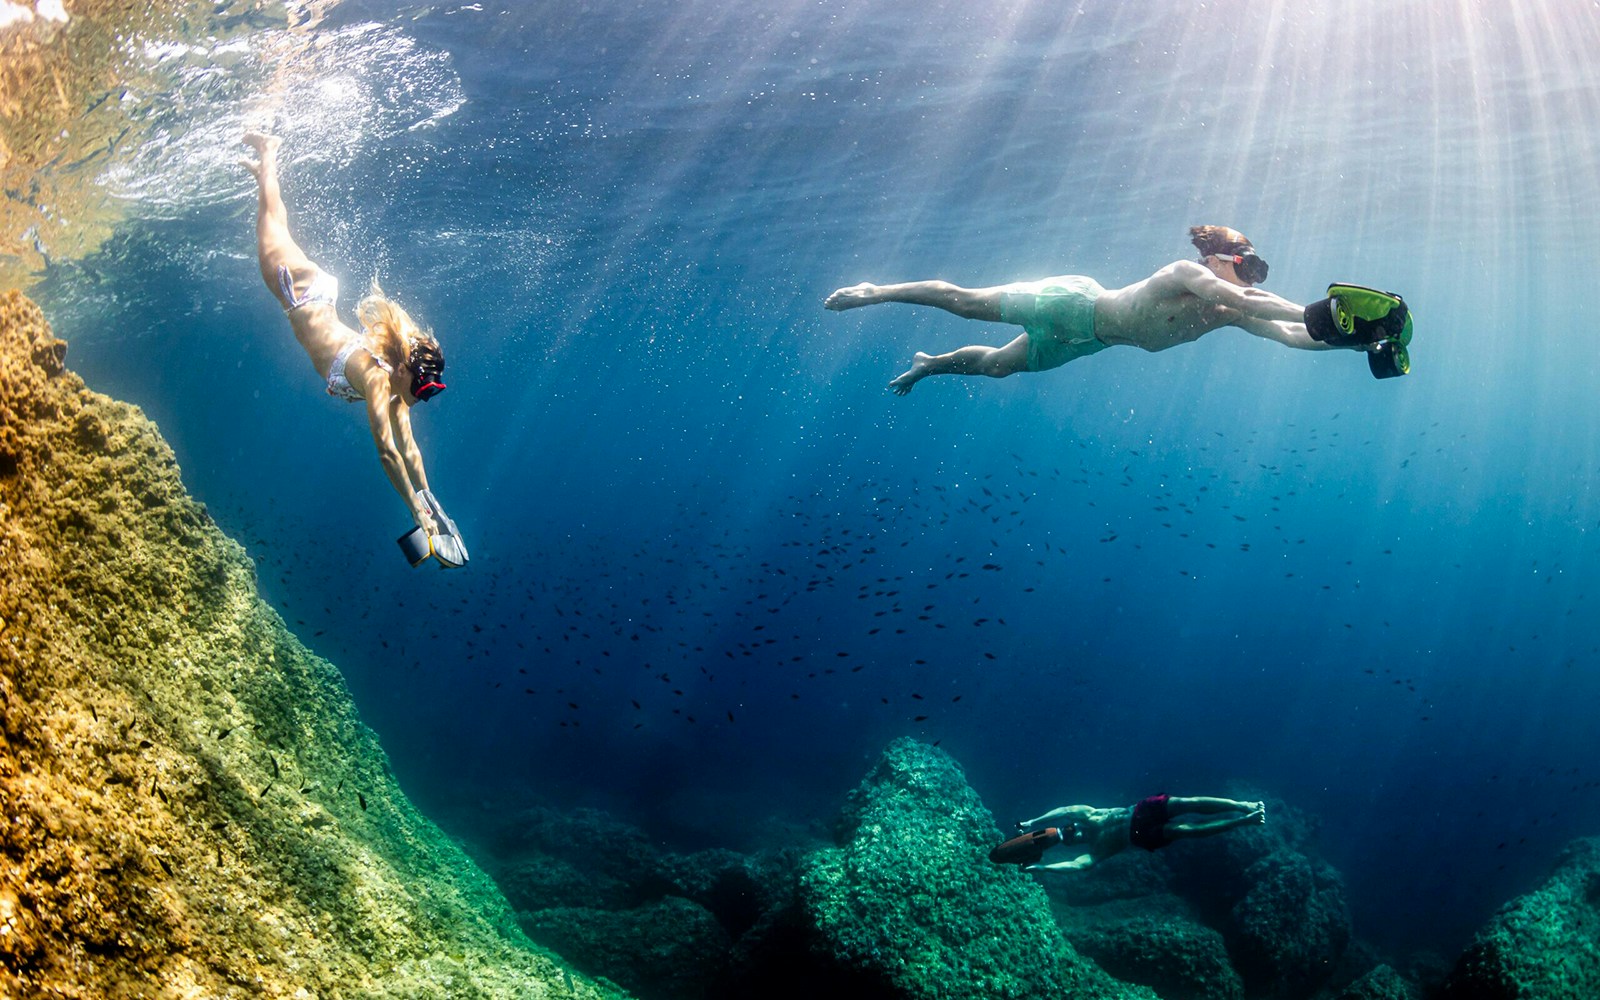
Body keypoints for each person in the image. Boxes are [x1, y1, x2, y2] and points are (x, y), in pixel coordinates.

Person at [240, 132, 466, 568]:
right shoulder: (377, 377)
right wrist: (414, 512)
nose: (416, 399)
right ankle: (268, 154)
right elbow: (385, 450)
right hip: (300, 292)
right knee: (269, 229)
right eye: (417, 388)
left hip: (316, 294)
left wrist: (434, 510)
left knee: (275, 227)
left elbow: (410, 451)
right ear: (403, 369)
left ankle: (263, 172)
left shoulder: (397, 388)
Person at [824, 226, 1410, 393]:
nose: (1253, 276)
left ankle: (930, 364)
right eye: (1251, 263)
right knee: (966, 302)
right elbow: (1246, 298)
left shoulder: (1230, 314)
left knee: (995, 368)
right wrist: (1324, 313)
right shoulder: (1188, 275)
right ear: (1225, 257)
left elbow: (1289, 337)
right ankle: (877, 291)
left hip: (1091, 339)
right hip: (1071, 302)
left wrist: (1348, 340)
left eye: (1257, 270)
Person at [990, 795, 1265, 872]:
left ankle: (1242, 806)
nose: (1073, 834)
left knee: (1186, 804)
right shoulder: (1098, 849)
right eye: (1071, 839)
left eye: (1069, 830)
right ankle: (1244, 822)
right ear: (1072, 844)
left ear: (1069, 826)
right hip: (1137, 837)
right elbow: (1076, 866)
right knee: (1184, 831)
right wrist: (1041, 868)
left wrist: (1030, 822)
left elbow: (1062, 808)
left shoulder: (1089, 814)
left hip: (1138, 811)